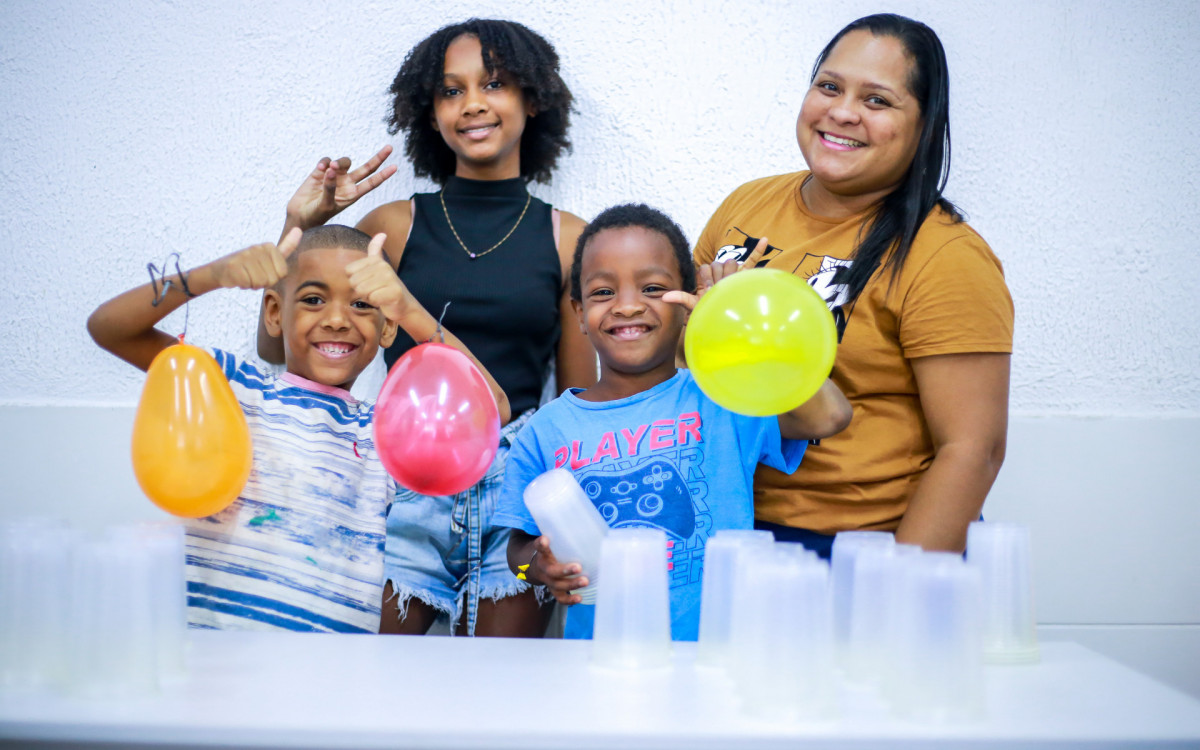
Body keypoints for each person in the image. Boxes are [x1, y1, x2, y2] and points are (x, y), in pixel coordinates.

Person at [258, 19, 596, 637]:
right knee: (372, 680)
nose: (472, 103)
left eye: (493, 84)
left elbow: (573, 402)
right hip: (397, 489)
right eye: (450, 90)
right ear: (430, 112)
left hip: (513, 491)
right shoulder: (395, 222)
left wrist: (555, 529)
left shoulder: (568, 237)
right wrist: (297, 225)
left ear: (532, 98)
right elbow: (280, 344)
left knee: (499, 697)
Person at [693, 13, 1014, 558]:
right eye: (830, 86)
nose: (841, 112)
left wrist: (893, 591)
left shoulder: (947, 257)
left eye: (877, 101)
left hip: (862, 548)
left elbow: (972, 451)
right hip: (727, 531)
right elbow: (691, 358)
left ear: (922, 124)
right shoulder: (746, 205)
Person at [89, 224, 509, 632]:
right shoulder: (231, 387)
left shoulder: (383, 431)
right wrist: (209, 276)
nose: (338, 319)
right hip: (212, 661)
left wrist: (409, 309)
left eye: (362, 304)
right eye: (313, 299)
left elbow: (493, 408)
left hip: (330, 677)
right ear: (274, 313)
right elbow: (109, 328)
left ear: (387, 327)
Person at [491, 204, 852, 640]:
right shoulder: (544, 433)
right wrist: (540, 568)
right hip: (607, 656)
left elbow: (830, 415)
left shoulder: (721, 397)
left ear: (688, 302)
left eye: (653, 288)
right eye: (603, 292)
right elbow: (517, 554)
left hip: (720, 653)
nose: (627, 306)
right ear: (578, 311)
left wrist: (732, 320)